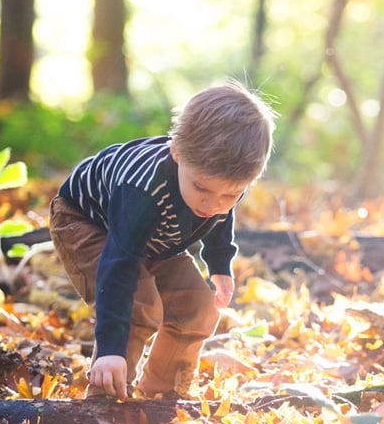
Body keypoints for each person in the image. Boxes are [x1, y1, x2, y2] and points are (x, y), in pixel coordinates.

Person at [49, 80, 276, 400]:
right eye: (202, 189)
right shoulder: (142, 189)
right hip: (88, 222)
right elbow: (119, 264)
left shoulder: (224, 183)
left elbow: (223, 221)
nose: (213, 205)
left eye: (231, 194)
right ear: (177, 152)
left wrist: (219, 264)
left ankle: (162, 394)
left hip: (155, 236)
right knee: (140, 304)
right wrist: (111, 348)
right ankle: (108, 397)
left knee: (197, 306)